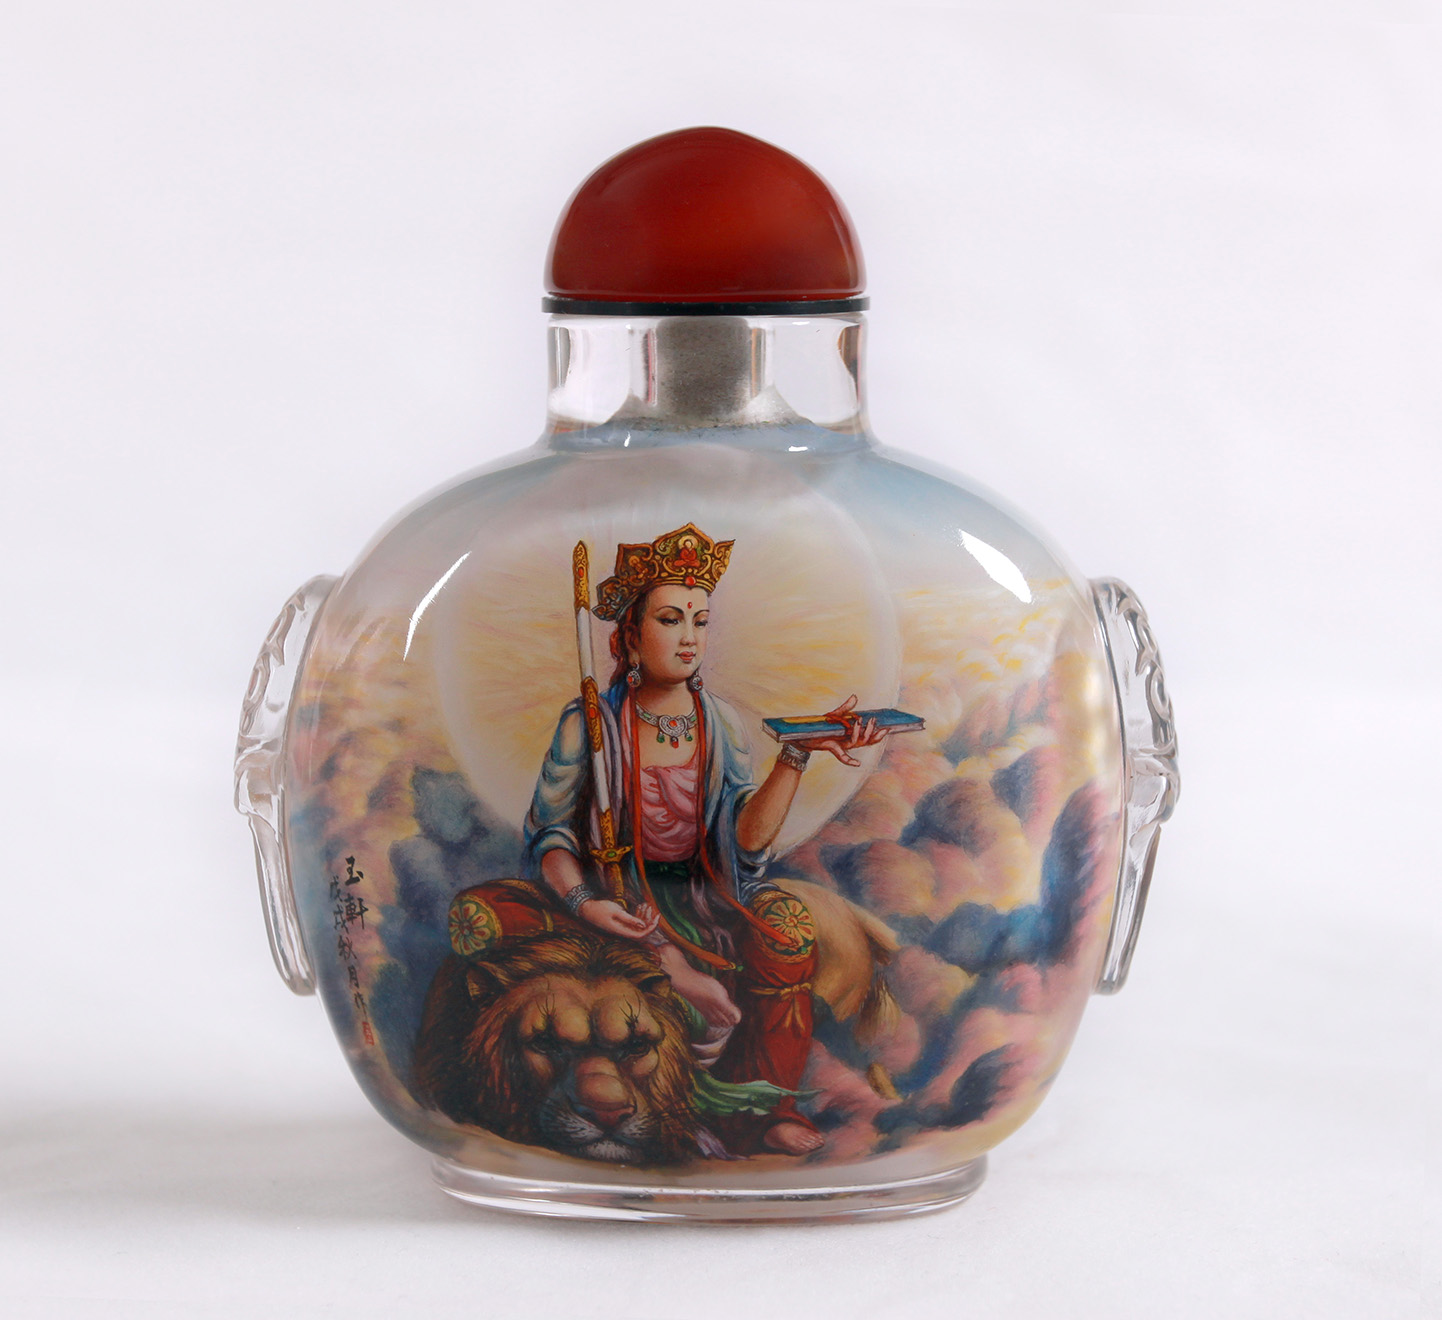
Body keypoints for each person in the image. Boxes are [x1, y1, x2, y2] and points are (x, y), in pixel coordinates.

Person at [516, 524, 886, 1156]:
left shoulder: (720, 722)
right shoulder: (593, 724)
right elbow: (549, 836)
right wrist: (586, 903)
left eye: (700, 621)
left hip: (709, 897)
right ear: (630, 637)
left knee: (787, 931)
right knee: (665, 997)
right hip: (619, 899)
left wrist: (796, 755)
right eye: (669, 619)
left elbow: (745, 844)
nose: (689, 637)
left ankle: (764, 1110)